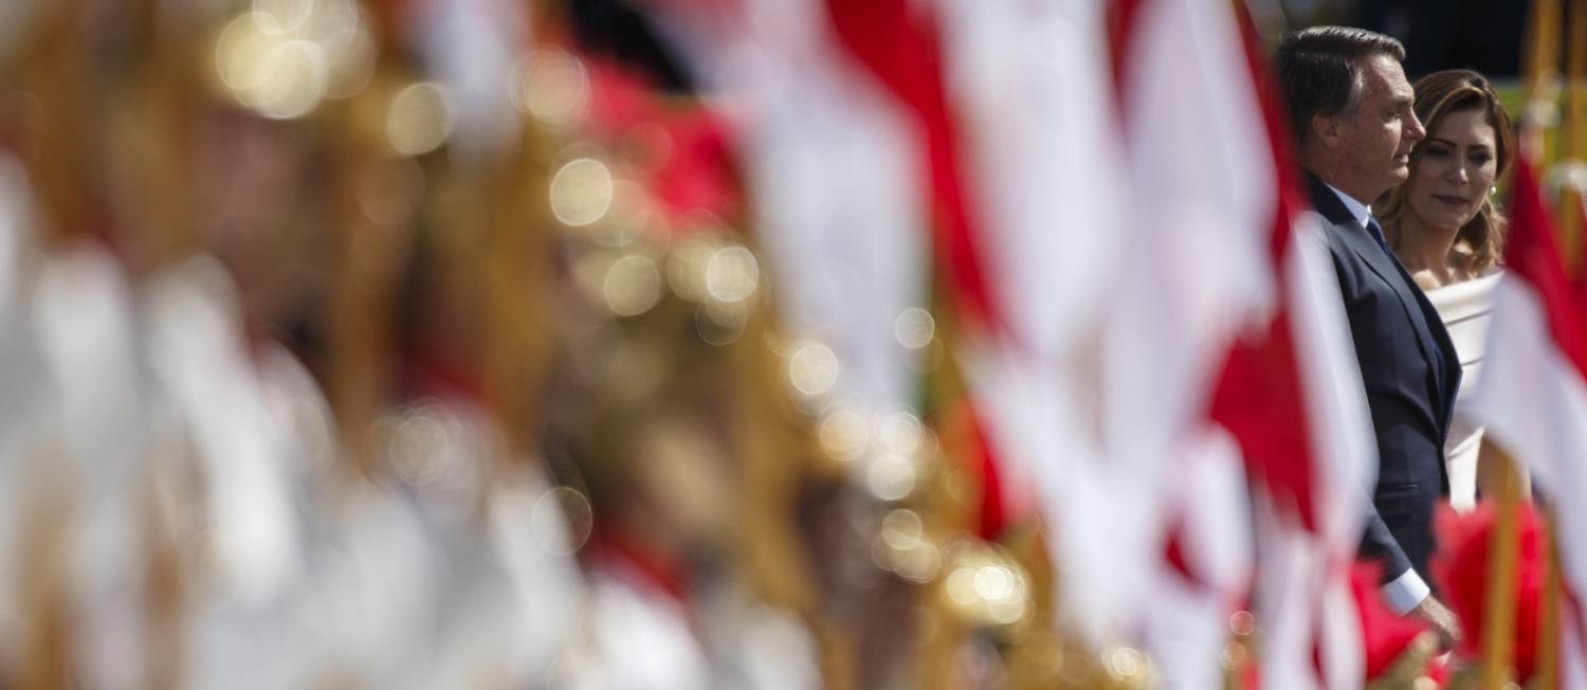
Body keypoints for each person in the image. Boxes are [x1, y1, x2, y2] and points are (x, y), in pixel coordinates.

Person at [1275, 26, 1464, 649]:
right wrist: (1403, 593)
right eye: (1394, 112)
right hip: (1368, 602)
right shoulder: (1309, 239)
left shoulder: (1351, 231)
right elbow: (1314, 439)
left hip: (1411, 584)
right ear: (1329, 126)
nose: (1416, 129)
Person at [1376, 69, 1516, 511]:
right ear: (1407, 154)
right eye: (1439, 152)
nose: (1459, 174)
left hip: (1465, 552)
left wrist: (1516, 564)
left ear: (1497, 171)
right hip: (1376, 554)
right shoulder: (1360, 272)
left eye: (1478, 157)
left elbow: (1503, 451)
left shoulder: (1500, 288)